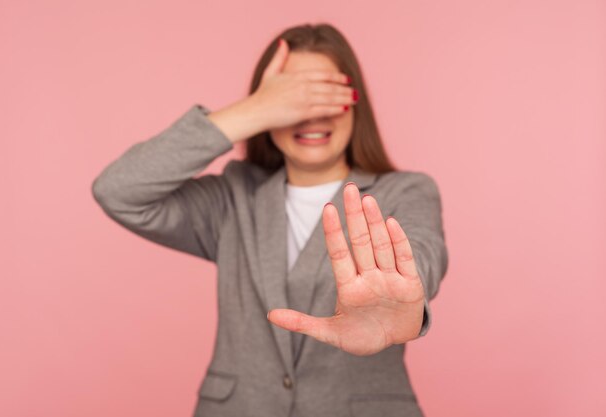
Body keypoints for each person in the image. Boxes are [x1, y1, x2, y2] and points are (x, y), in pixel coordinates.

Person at [92, 23, 448, 417]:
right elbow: (119, 190)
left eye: (324, 96)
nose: (310, 115)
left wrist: (403, 301)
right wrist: (255, 110)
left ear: (355, 103)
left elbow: (422, 256)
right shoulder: (232, 197)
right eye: (294, 99)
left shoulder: (406, 191)